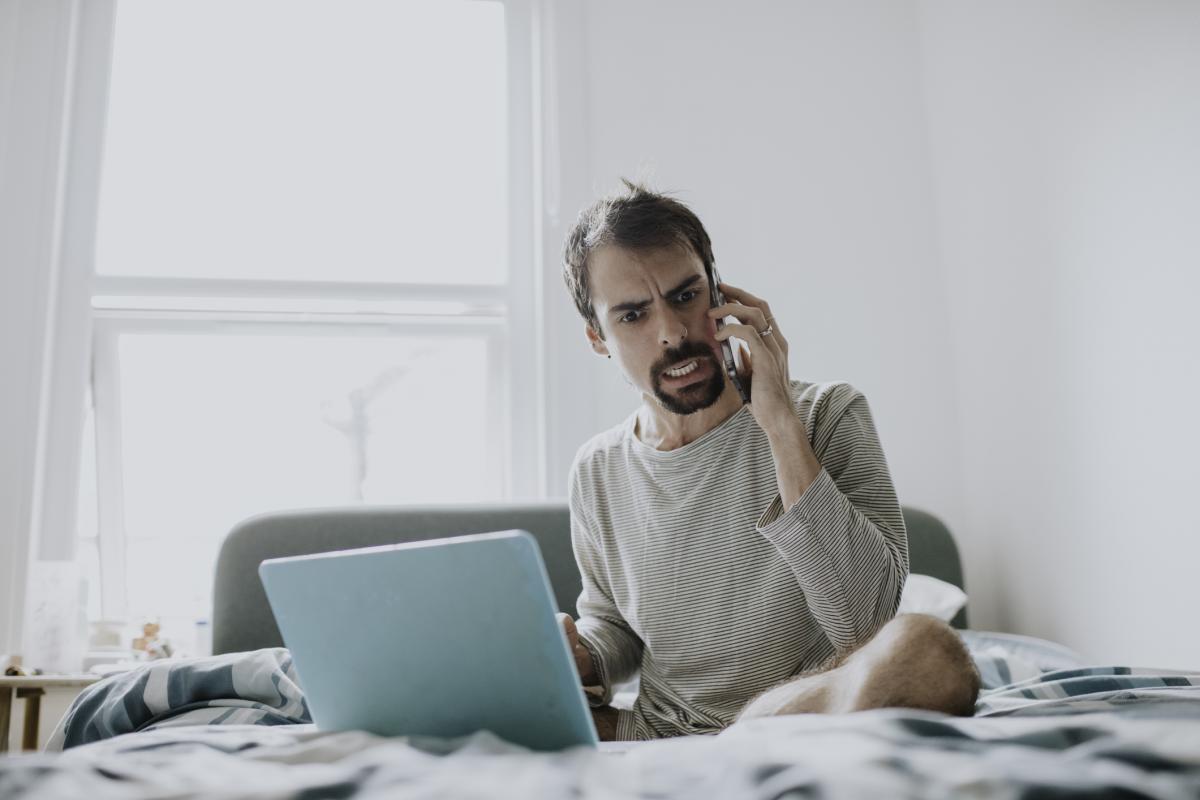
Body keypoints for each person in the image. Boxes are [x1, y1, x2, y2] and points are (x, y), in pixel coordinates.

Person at [556, 180, 980, 741]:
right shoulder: (596, 471)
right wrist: (583, 655)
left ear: (720, 291)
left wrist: (779, 422)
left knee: (926, 650)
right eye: (633, 316)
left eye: (686, 296)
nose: (672, 333)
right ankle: (732, 745)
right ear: (598, 338)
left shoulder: (827, 413)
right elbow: (617, 632)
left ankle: (746, 737)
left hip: (803, 715)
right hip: (655, 729)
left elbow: (866, 624)